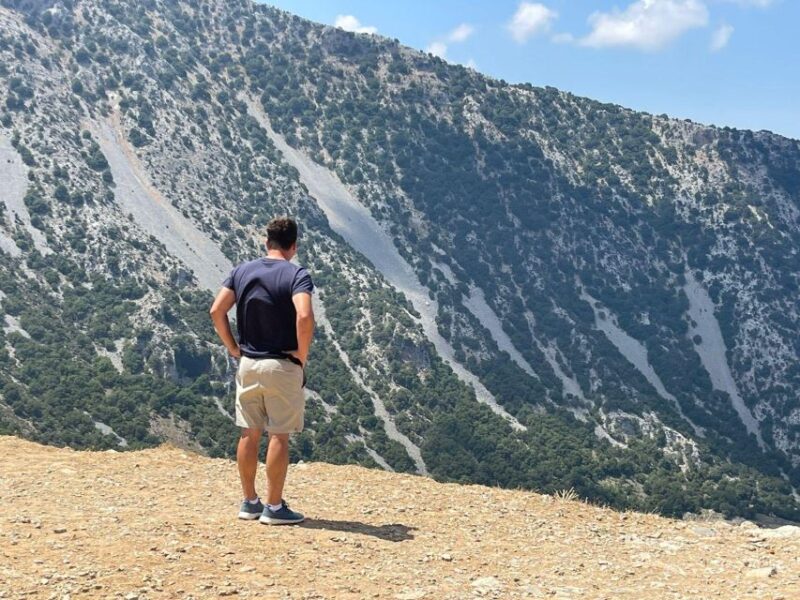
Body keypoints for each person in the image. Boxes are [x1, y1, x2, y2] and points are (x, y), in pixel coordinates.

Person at [209, 216, 315, 525]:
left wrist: (232, 346)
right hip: (281, 363)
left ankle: (249, 502)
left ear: (266, 242)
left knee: (248, 433)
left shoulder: (242, 270)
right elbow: (305, 316)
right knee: (278, 435)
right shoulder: (297, 274)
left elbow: (217, 310)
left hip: (249, 363)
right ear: (293, 246)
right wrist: (302, 354)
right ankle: (275, 507)